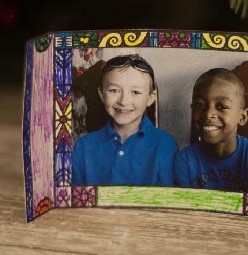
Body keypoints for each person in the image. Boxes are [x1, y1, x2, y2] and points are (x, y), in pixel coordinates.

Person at [72, 54, 178, 186]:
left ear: (151, 98)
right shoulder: (83, 148)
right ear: (101, 94)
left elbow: (166, 202)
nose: (123, 101)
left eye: (135, 92)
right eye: (114, 90)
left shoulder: (165, 144)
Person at [174, 68, 248, 194]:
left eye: (221, 106)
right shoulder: (184, 161)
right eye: (200, 105)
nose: (208, 114)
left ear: (242, 117)